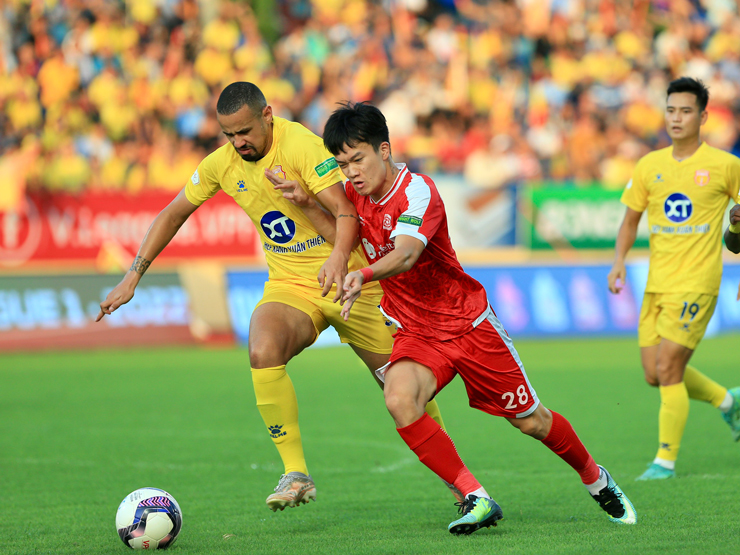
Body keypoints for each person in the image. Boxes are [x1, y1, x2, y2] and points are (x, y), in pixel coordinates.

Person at [97, 82, 452, 511]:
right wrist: (133, 276)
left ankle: (458, 483)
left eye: (244, 131)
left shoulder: (302, 145)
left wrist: (340, 260)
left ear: (267, 114)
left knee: (406, 392)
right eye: (229, 135)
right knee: (263, 347)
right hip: (292, 285)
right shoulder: (222, 164)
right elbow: (174, 212)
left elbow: (346, 213)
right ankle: (295, 472)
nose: (238, 142)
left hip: (356, 282)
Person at [298, 101, 637, 534]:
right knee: (399, 398)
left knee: (530, 421)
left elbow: (405, 254)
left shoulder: (417, 190)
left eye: (357, 159)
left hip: (468, 324)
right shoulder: (354, 198)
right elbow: (342, 234)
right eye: (343, 165)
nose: (351, 173)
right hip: (417, 330)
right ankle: (474, 496)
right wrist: (305, 204)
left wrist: (360, 276)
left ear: (384, 149)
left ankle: (596, 478)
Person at [608, 77, 740, 481]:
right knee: (654, 373)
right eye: (671, 110)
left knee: (668, 368)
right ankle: (726, 401)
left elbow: (738, 229)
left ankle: (664, 461)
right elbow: (630, 219)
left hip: (698, 282)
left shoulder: (726, 165)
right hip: (656, 282)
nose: (677, 118)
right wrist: (618, 261)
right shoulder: (650, 165)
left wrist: (735, 233)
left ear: (702, 116)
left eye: (685, 111)